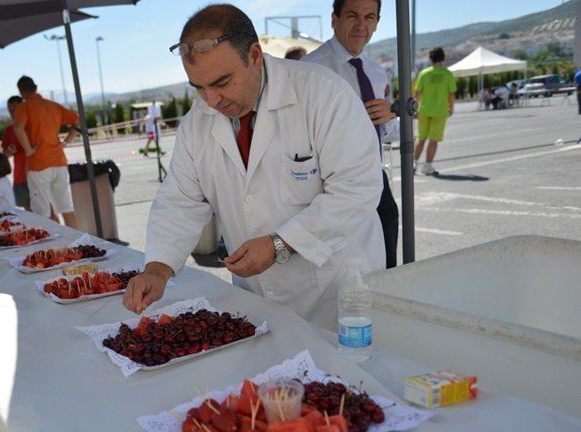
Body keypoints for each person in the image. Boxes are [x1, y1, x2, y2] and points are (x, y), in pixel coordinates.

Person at [123, 4, 384, 329]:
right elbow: (180, 201)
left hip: (336, 295)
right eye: (199, 87)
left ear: (255, 56)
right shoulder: (197, 122)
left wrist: (280, 244)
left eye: (222, 82)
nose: (211, 100)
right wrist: (157, 270)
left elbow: (357, 190)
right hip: (258, 297)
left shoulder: (323, 95)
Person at [302, 0, 400, 269]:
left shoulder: (377, 72)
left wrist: (390, 115)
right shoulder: (309, 70)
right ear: (334, 19)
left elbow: (386, 131)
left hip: (373, 176)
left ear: (377, 23)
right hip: (329, 182)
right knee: (344, 264)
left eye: (370, 17)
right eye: (353, 16)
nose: (361, 25)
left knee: (387, 247)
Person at [13, 76, 79, 227]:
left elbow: (18, 128)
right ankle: (79, 245)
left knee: (43, 213)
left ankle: (51, 248)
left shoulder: (23, 107)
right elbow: (77, 121)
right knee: (66, 208)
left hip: (38, 165)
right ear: (35, 88)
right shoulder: (53, 106)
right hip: (59, 161)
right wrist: (66, 142)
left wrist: (29, 150)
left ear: (22, 92)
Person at [413, 46, 456, 176]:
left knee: (421, 138)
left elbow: (417, 93)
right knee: (433, 140)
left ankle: (413, 164)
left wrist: (415, 108)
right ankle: (427, 166)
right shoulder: (448, 74)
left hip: (424, 110)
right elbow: (451, 93)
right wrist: (451, 108)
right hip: (440, 111)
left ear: (430, 58)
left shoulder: (424, 73)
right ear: (442, 57)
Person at [1, 96, 31, 210]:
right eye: (10, 110)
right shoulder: (9, 130)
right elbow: (4, 154)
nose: (12, 113)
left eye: (15, 109)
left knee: (47, 212)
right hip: (20, 177)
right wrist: (9, 151)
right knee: (31, 214)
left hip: (38, 173)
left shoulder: (33, 125)